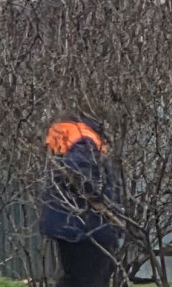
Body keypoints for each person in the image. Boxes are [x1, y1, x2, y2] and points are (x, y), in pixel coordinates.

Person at [40, 114, 123, 287]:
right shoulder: (84, 138)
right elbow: (79, 171)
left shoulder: (67, 135)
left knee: (76, 278)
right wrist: (99, 198)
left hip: (68, 224)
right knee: (90, 279)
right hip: (87, 227)